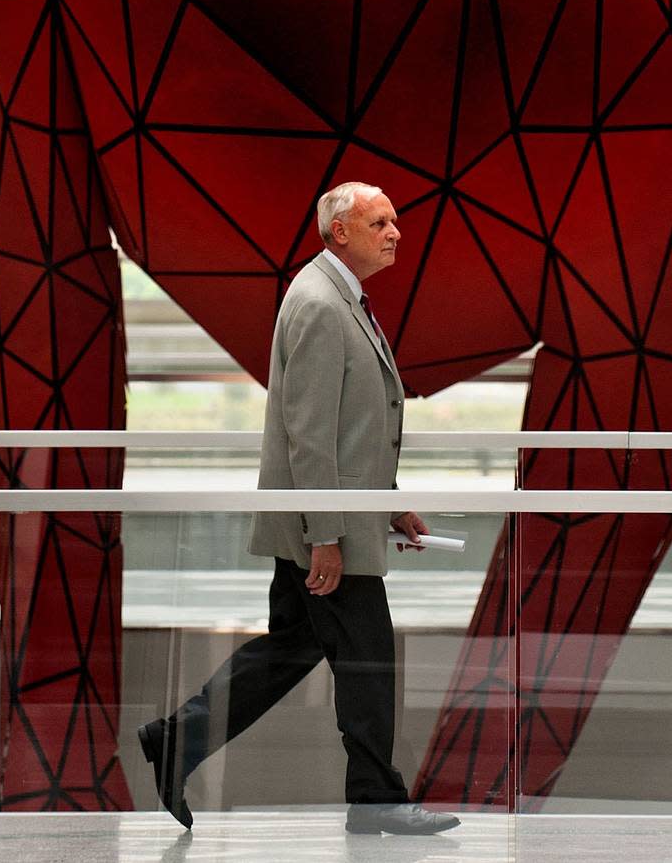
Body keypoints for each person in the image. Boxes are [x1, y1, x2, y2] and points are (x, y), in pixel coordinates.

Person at [139, 181, 461, 836]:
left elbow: (349, 430)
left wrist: (389, 504)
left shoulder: (340, 298)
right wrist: (327, 536)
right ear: (339, 231)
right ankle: (376, 800)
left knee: (290, 649)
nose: (396, 232)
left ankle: (177, 740)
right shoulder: (320, 303)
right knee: (367, 655)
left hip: (331, 520)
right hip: (325, 529)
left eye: (396, 221)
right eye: (381, 222)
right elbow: (308, 432)